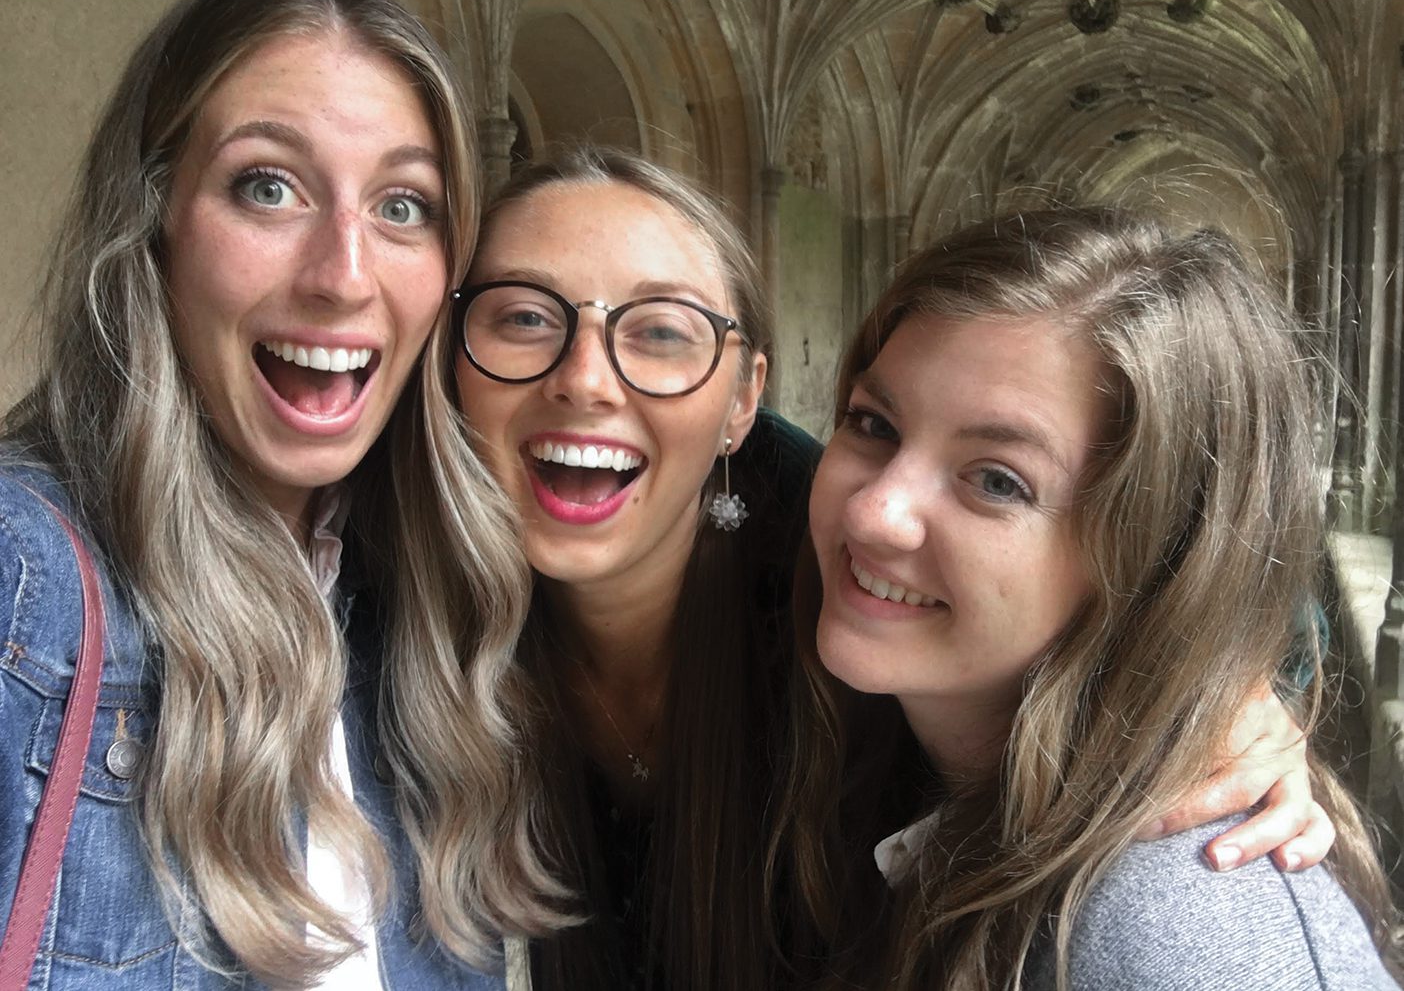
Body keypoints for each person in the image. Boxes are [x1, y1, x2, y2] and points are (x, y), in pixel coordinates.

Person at [452, 149, 1339, 990]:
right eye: (525, 316)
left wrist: (1235, 695)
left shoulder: (817, 580)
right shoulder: (402, 593)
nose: (586, 380)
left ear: (743, 402)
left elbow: (1221, 565)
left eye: (662, 333)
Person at [0, 0, 556, 990]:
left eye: (402, 206)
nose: (343, 274)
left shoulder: (418, 621)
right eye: (268, 186)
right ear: (153, 223)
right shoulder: (20, 582)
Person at [790, 207, 1402, 988]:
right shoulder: (882, 742)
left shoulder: (1190, 938)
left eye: (997, 480)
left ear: (1161, 556)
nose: (872, 510)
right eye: (873, 422)